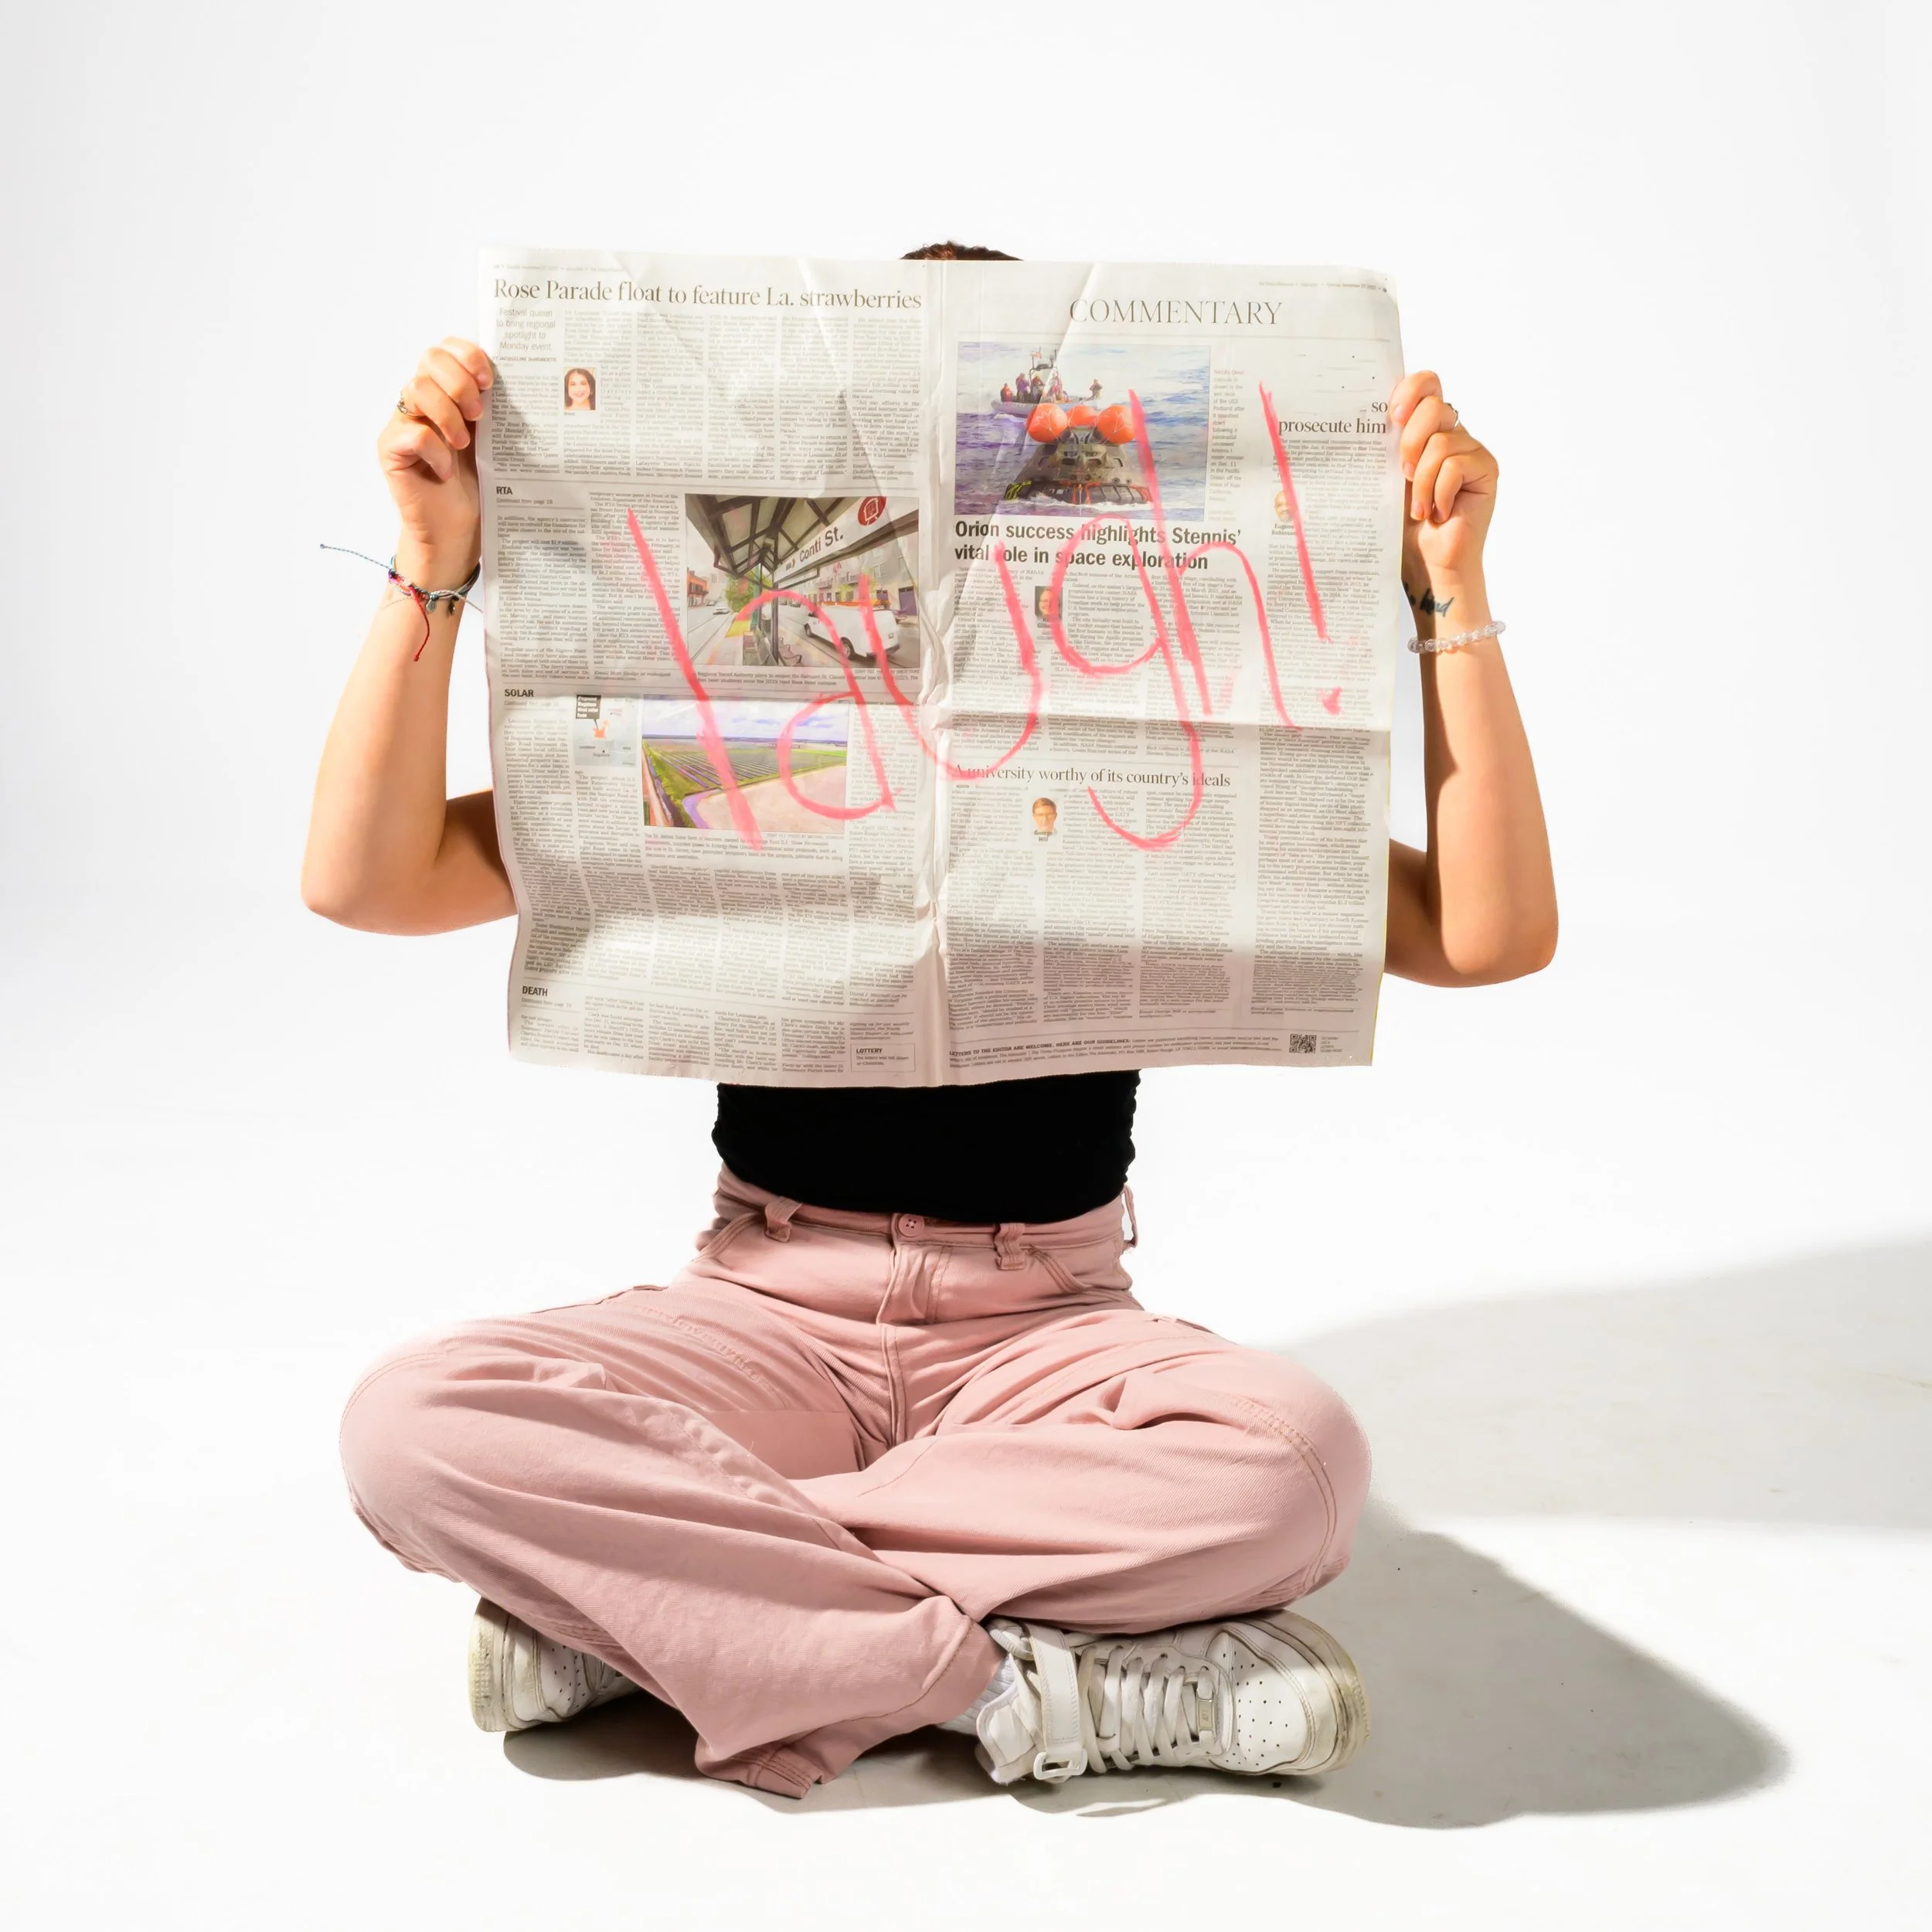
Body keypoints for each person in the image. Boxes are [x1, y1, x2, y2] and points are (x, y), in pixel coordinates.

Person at [306, 239, 1554, 1800]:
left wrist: (1451, 590)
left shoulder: (1137, 766)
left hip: (1046, 1330)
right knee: (411, 1427)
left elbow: (1487, 931)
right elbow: (366, 877)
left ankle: (647, 1625)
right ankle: (1017, 1682)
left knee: (1297, 1468)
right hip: (761, 1306)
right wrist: (437, 555)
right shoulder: (754, 756)